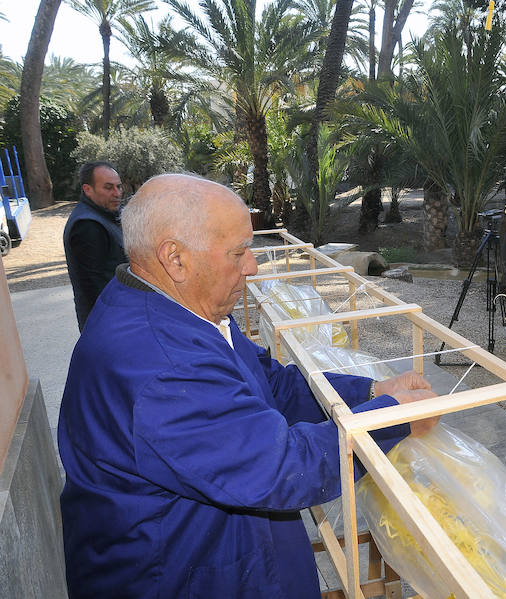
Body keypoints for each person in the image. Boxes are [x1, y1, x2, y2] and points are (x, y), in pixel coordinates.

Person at [57, 173, 439, 599]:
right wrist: (392, 420)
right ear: (175, 258)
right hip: (180, 576)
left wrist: (370, 392)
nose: (253, 266)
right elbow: (281, 468)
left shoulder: (181, 308)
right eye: (238, 252)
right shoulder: (161, 366)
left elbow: (269, 381)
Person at [63, 161, 127, 331]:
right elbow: (97, 286)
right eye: (108, 187)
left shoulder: (108, 214)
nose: (117, 193)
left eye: (119, 187)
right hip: (107, 323)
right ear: (87, 189)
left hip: (117, 317)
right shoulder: (87, 225)